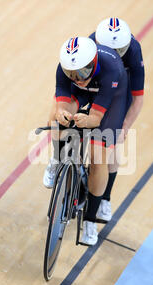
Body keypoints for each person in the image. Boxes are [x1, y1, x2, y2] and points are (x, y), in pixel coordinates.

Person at [45, 36, 128, 245]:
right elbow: (62, 101)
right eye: (71, 74)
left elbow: (95, 118)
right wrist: (63, 113)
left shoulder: (112, 68)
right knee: (55, 118)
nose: (78, 78)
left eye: (82, 72)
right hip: (83, 95)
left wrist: (88, 119)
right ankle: (57, 160)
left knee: (98, 157)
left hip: (111, 97)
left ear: (93, 63)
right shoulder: (65, 70)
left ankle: (90, 221)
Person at [89, 17, 145, 223]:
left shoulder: (133, 51)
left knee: (111, 141)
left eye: (118, 52)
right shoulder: (91, 43)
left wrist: (125, 126)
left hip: (122, 89)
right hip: (98, 83)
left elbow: (138, 98)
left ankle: (105, 197)